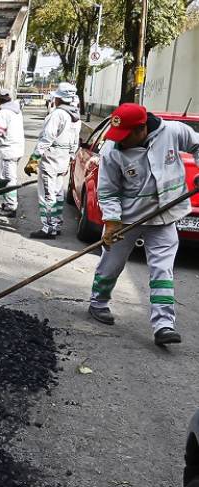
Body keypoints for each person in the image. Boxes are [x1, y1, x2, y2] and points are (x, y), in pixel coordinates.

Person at [87, 103, 199, 346]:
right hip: (127, 220)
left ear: (142, 129)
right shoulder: (112, 151)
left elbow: (197, 145)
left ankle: (163, 325)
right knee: (111, 263)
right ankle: (98, 302)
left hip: (164, 217)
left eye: (125, 135)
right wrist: (112, 222)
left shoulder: (173, 132)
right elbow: (107, 191)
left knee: (162, 270)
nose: (119, 140)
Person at [24, 82, 80, 239]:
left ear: (59, 99)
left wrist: (34, 158)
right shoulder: (75, 117)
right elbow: (75, 142)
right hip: (63, 159)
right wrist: (70, 158)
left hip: (51, 159)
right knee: (58, 193)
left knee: (47, 194)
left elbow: (46, 138)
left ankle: (48, 228)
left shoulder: (57, 115)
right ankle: (56, 224)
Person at [0, 88, 24, 218]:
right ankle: (9, 204)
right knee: (10, 178)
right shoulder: (16, 111)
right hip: (16, 149)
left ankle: (11, 207)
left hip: (8, 151)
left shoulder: (3, 113)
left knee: (8, 180)